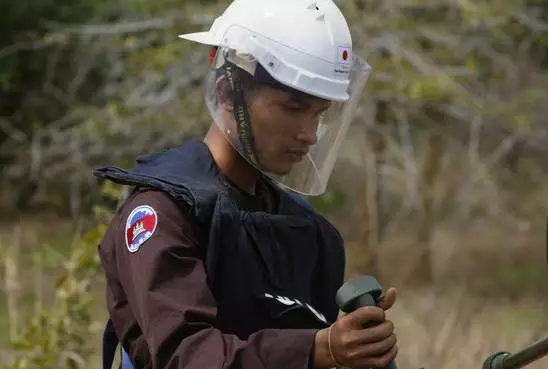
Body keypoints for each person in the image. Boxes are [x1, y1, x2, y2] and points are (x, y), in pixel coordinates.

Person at [95, 0, 399, 368]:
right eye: (292, 107)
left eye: (319, 114)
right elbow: (187, 356)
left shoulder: (307, 230)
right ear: (226, 92)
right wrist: (320, 349)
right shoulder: (164, 213)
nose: (309, 135)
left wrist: (356, 341)